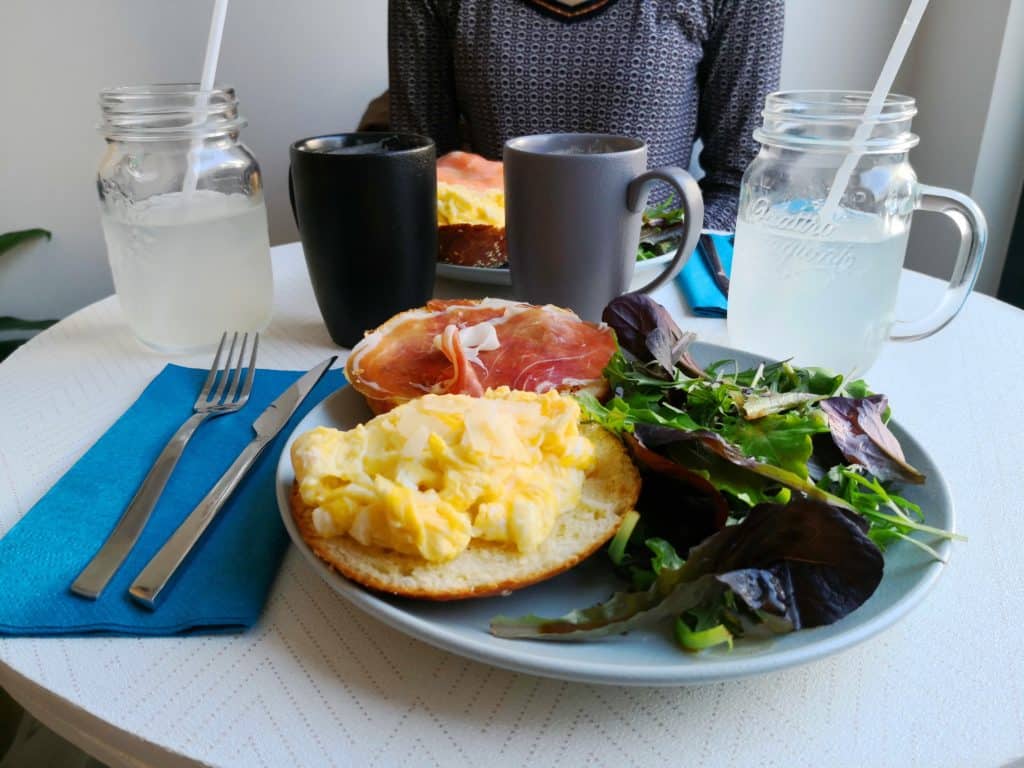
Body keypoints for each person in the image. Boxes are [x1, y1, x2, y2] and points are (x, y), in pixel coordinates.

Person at [385, 0, 784, 231]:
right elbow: (414, 170)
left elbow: (744, 183)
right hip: (490, 283)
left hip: (659, 285)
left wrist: (660, 258)